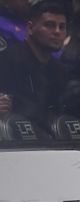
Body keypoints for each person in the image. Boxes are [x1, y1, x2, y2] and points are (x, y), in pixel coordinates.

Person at [0, 0, 67, 132]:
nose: (57, 32)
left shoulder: (59, 69)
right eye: (49, 25)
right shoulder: (6, 60)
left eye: (62, 27)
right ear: (30, 28)